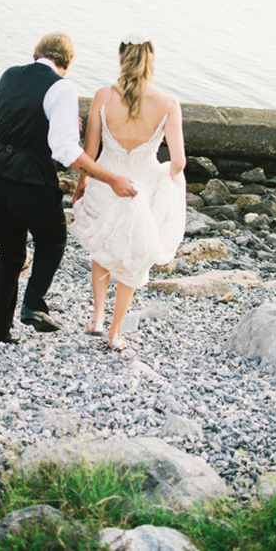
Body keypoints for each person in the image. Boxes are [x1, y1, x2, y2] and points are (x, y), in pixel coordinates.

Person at [0, 32, 136, 345]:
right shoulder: (62, 87)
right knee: (52, 240)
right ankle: (34, 303)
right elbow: (65, 152)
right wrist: (112, 179)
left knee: (10, 256)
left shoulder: (6, 76)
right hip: (33, 183)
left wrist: (54, 124)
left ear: (37, 52)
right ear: (67, 63)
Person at [71, 31, 187, 351]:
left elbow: (89, 152)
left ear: (122, 57)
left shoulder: (103, 96)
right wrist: (164, 177)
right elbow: (178, 162)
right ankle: (116, 332)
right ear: (151, 60)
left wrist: (81, 185)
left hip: (105, 182)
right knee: (132, 258)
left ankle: (96, 316)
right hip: (142, 189)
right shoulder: (168, 104)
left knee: (102, 246)